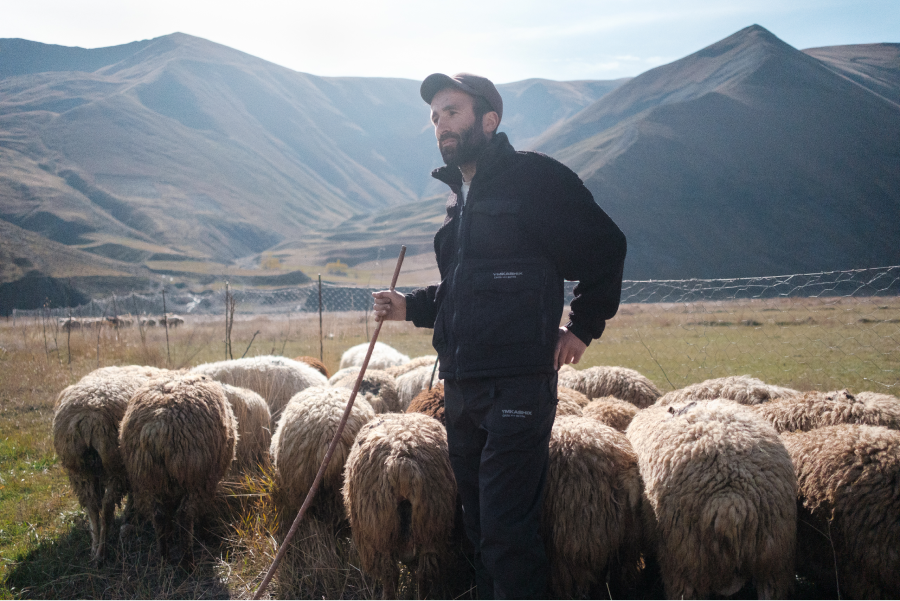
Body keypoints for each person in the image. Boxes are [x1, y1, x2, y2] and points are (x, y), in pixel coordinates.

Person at [372, 73, 626, 601]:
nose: (442, 123)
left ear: (490, 120)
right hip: (463, 390)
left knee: (509, 533)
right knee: (481, 527)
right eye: (436, 115)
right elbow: (462, 291)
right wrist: (408, 308)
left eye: (454, 111)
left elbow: (606, 246)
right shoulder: (460, 201)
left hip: (516, 388)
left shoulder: (534, 181)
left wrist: (583, 327)